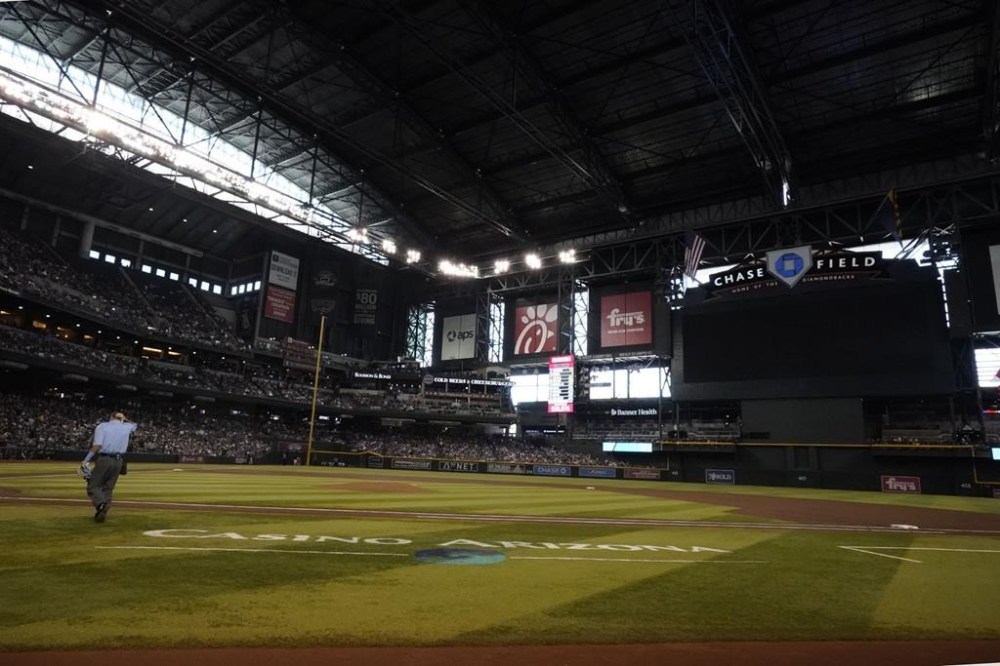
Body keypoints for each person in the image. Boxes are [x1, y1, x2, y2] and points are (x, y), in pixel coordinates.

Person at [77, 411, 137, 523]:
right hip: (119, 461)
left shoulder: (103, 426)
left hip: (105, 459)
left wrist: (86, 460)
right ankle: (103, 512)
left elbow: (97, 445)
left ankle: (101, 504)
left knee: (93, 486)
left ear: (110, 417)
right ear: (121, 418)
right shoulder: (126, 426)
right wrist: (125, 419)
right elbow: (135, 425)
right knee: (108, 488)